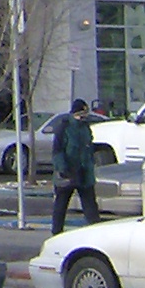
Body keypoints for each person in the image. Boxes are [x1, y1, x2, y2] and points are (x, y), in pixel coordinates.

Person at [50, 97, 99, 233]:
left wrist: (90, 164)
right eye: (81, 114)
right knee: (61, 205)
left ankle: (96, 232)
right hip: (68, 173)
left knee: (90, 207)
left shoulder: (85, 128)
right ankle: (56, 232)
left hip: (85, 173)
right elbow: (57, 151)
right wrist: (63, 169)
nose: (83, 117)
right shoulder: (64, 127)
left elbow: (89, 149)